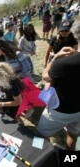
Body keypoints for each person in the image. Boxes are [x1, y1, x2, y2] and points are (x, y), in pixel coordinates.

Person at [36, 19, 80, 150]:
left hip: (59, 111)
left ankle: (39, 157)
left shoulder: (63, 63)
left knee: (39, 136)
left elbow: (45, 76)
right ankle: (71, 158)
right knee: (73, 133)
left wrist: (55, 58)